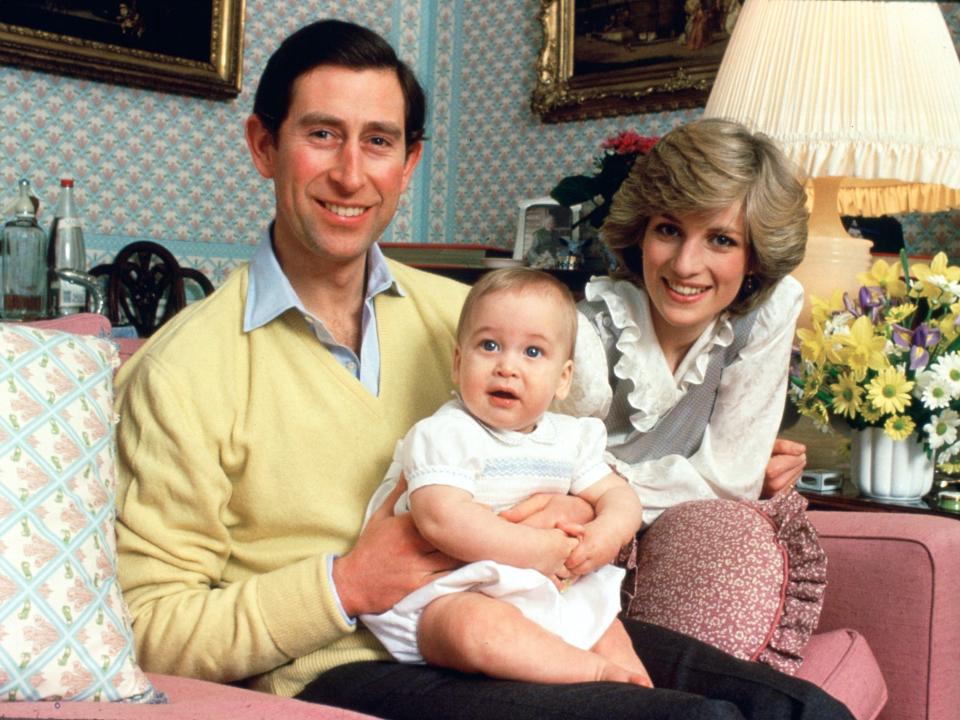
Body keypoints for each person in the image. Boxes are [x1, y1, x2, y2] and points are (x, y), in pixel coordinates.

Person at [114, 18, 853, 720]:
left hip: (529, 616)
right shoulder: (184, 370)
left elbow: (570, 461)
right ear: (263, 146)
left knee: (805, 711)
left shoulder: (470, 321)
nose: (350, 173)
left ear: (409, 164)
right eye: (321, 135)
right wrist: (346, 585)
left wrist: (580, 510)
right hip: (346, 663)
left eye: (378, 142)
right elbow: (148, 627)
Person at [361, 268, 650, 687]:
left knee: (604, 622)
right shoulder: (446, 434)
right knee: (473, 628)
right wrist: (537, 549)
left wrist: (606, 533)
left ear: (563, 379)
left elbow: (619, 496)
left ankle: (643, 693)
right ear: (459, 363)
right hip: (447, 593)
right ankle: (595, 674)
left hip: (545, 588)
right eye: (489, 345)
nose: (507, 367)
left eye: (533, 353)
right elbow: (442, 518)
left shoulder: (570, 439)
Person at [557, 117, 811, 526]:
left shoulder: (767, 314)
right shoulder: (586, 333)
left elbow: (730, 482)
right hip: (570, 536)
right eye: (669, 229)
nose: (685, 264)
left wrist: (602, 494)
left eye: (721, 239)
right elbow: (539, 476)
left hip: (683, 531)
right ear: (641, 233)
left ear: (756, 257)